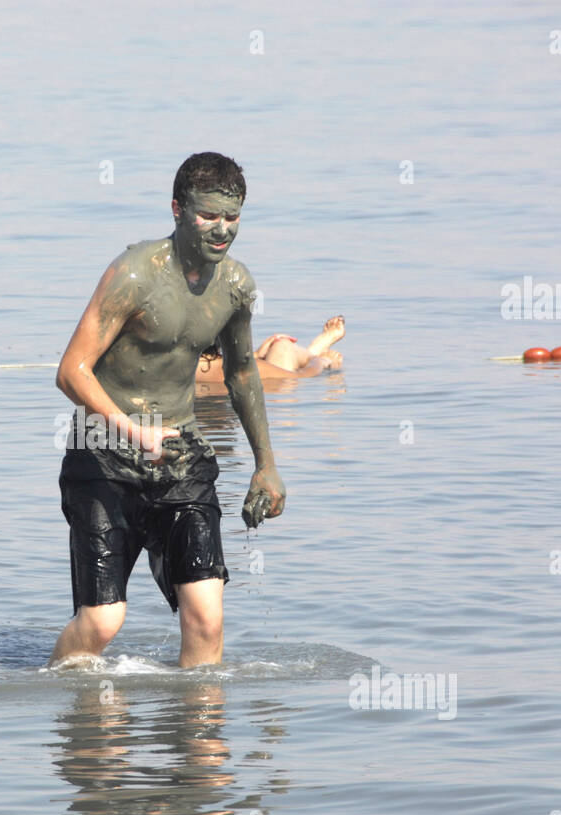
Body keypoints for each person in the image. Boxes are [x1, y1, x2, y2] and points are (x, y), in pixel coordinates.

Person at [49, 152, 285, 669]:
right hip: (102, 456)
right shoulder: (135, 272)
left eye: (232, 218)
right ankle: (69, 715)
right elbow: (71, 371)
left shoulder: (236, 287)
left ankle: (199, 739)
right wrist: (131, 429)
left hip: (181, 458)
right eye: (208, 216)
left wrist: (266, 465)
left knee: (207, 617)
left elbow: (242, 373)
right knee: (103, 621)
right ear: (178, 209)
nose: (221, 230)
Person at [195, 316, 345, 383]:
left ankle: (312, 352)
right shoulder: (238, 368)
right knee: (282, 346)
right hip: (279, 392)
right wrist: (324, 361)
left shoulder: (175, 364)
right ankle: (313, 352)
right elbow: (302, 376)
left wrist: (256, 354)